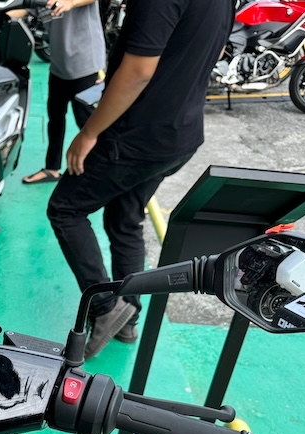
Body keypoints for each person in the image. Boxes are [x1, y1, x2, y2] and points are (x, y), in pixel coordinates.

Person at [46, 0, 231, 358]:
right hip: (179, 133)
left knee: (65, 209)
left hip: (136, 137)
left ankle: (106, 308)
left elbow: (138, 71)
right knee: (124, 219)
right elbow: (216, 48)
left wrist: (89, 132)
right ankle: (127, 319)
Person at [21, 0, 106, 185]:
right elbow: (22, 8)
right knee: (55, 118)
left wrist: (71, 2)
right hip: (59, 64)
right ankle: (52, 168)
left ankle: (101, 171)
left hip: (84, 63)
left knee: (87, 120)